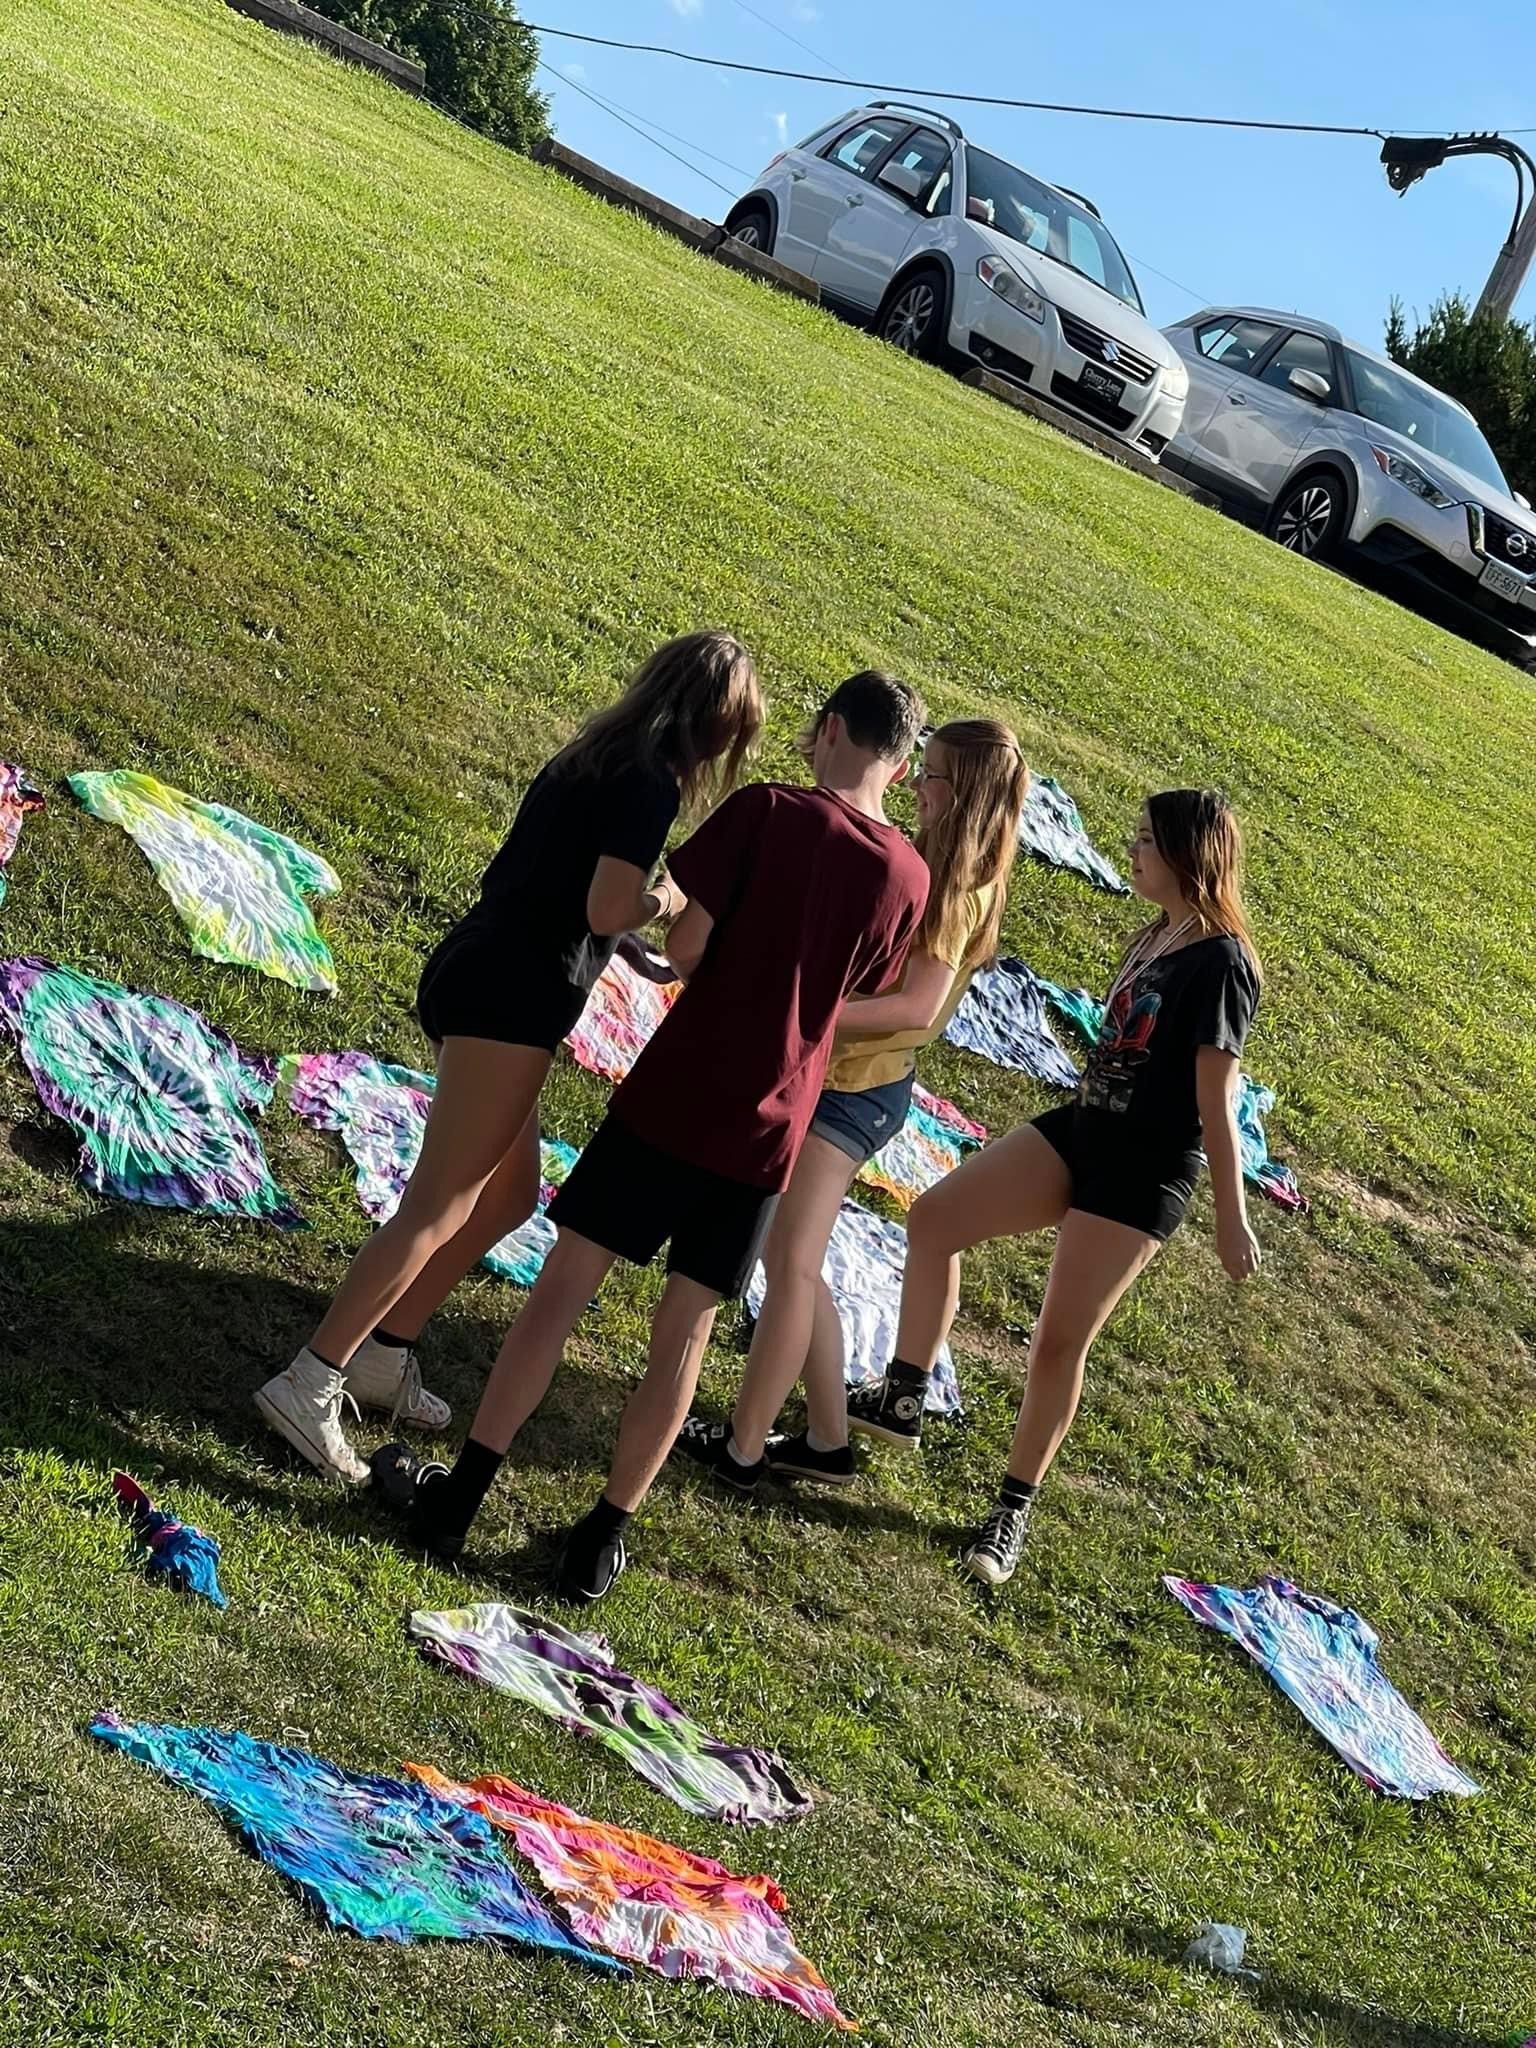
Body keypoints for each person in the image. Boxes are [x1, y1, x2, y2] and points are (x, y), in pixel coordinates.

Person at [378, 670, 931, 1600]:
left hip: (675, 1095)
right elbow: (860, 988)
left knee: (561, 1293)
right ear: (903, 762)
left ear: (831, 729)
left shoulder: (765, 812)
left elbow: (686, 951)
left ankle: (460, 1497)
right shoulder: (908, 877)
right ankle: (601, 1541)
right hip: (772, 1130)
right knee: (686, 1335)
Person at [255, 630, 763, 1485]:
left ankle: (386, 1350)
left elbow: (572, 890)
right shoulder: (649, 782)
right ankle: (310, 1379)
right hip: (512, 999)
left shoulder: (599, 751)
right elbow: (608, 904)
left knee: (508, 1194)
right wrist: (668, 894)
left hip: (483, 966)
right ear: (713, 727)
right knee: (438, 1206)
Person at [847, 788, 1263, 1588]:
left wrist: (1230, 1219)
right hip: (1084, 1129)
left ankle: (1011, 1512)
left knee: (1056, 1343)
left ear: (1185, 853)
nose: (1131, 850)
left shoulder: (1222, 962)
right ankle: (904, 1396)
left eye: (1145, 840)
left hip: (1142, 1173)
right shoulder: (1157, 933)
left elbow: (1219, 1101)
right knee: (934, 1220)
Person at [672, 719, 1030, 1491]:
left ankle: (743, 1449)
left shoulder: (960, 884)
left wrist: (808, 1009)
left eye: (931, 774)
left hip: (858, 1092)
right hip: (847, 1080)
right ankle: (829, 1440)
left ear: (961, 791)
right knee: (791, 1262)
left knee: (790, 1262)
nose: (917, 784)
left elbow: (917, 1008)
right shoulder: (940, 860)